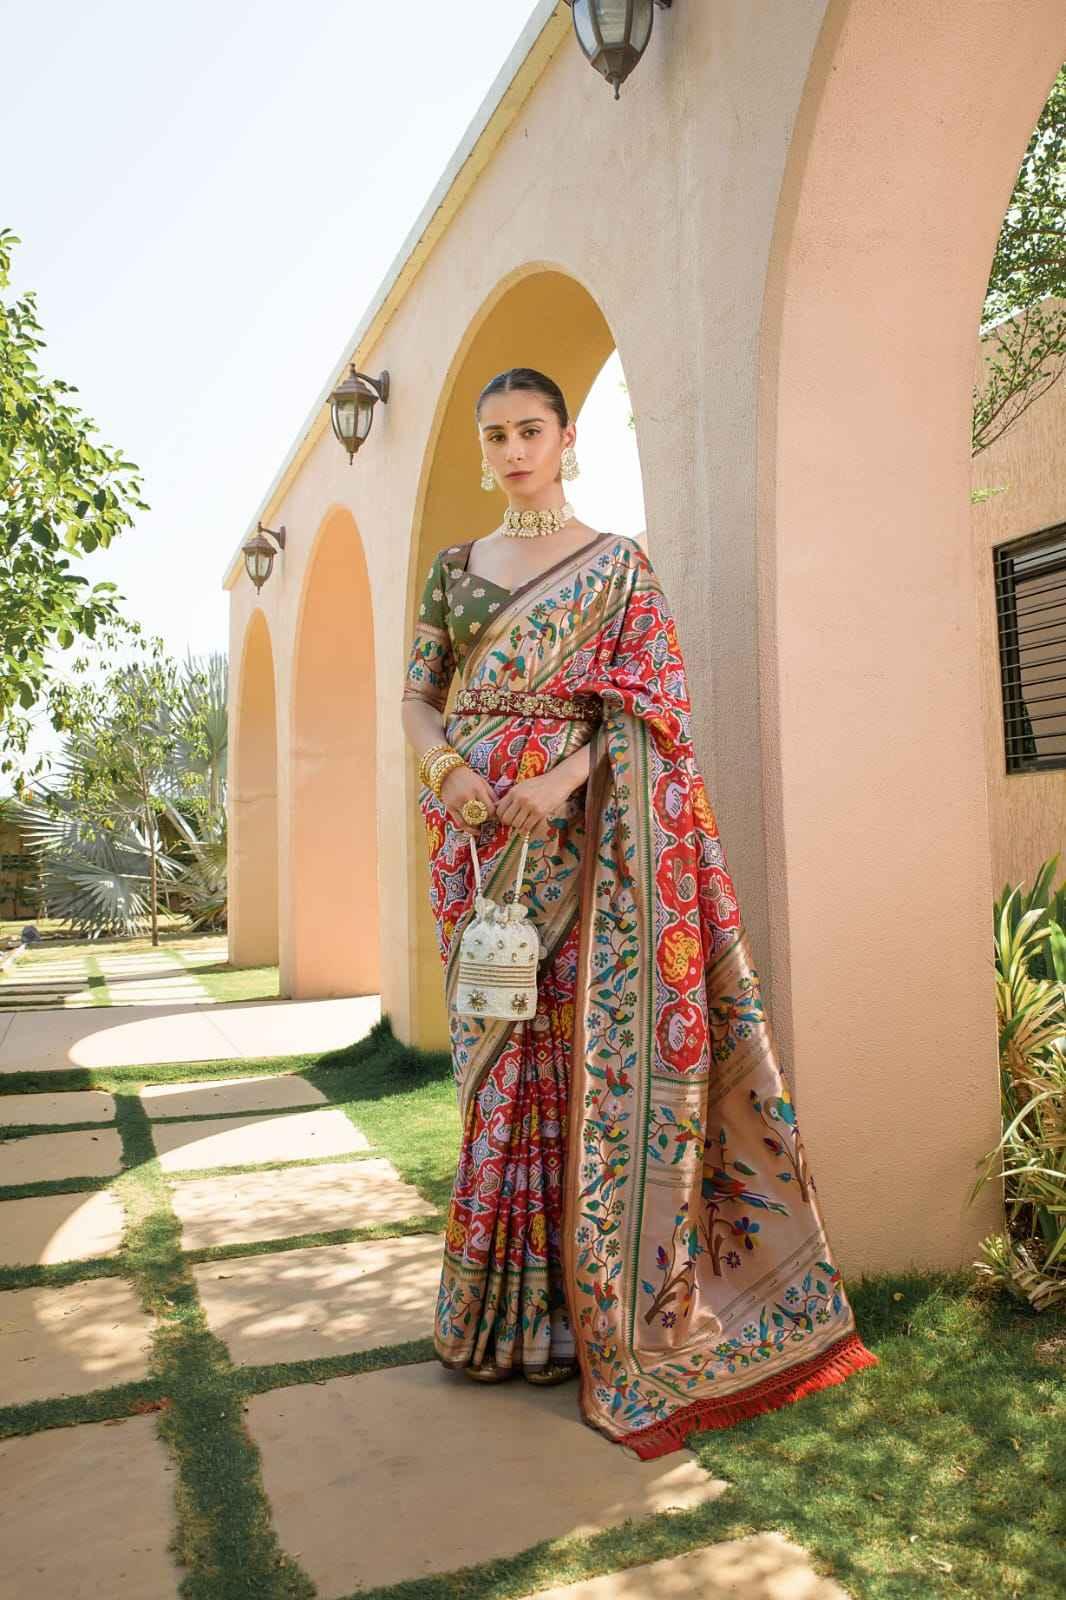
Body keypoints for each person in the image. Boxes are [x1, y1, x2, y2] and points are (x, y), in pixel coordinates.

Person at [401, 366, 878, 1459]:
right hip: (477, 848)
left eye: (530, 429)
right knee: (500, 1063)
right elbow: (416, 695)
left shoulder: (616, 568)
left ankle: (594, 1314)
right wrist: (449, 777)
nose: (512, 448)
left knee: (585, 1066)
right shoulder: (454, 571)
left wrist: (559, 783)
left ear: (565, 437)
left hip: (590, 842)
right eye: (495, 434)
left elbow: (656, 707)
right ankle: (501, 1318)